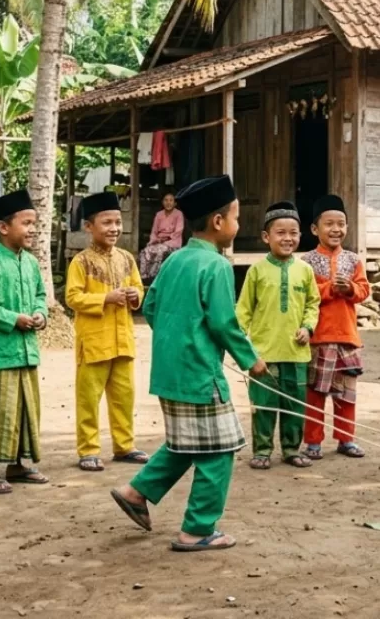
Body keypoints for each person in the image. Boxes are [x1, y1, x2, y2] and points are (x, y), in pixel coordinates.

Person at [109, 175, 267, 552]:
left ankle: (136, 491)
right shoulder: (215, 266)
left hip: (168, 372)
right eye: (236, 217)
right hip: (199, 374)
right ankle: (197, 529)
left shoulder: (174, 259)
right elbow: (223, 322)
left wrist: (177, 336)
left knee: (187, 442)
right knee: (219, 449)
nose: (238, 225)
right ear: (217, 222)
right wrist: (251, 360)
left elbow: (148, 306)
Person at [0, 189, 50, 495]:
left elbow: (41, 296)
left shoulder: (30, 263)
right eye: (26, 223)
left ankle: (18, 466)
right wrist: (12, 318)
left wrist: (40, 314)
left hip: (27, 350)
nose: (32, 230)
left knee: (25, 409)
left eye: (34, 223)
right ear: (4, 227)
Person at [65, 191, 147, 473]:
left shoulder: (126, 258)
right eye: (106, 223)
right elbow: (72, 297)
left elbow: (139, 288)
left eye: (116, 222)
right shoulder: (81, 262)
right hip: (94, 342)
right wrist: (105, 299)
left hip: (123, 340)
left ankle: (125, 446)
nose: (113, 228)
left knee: (124, 396)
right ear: (89, 227)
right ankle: (88, 450)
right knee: (89, 398)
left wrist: (135, 296)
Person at [236, 200, 321, 470]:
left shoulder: (305, 270)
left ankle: (291, 449)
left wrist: (308, 327)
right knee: (263, 405)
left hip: (296, 354)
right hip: (263, 354)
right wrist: (242, 347)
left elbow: (313, 304)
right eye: (280, 233)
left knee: (295, 405)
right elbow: (243, 311)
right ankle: (262, 450)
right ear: (266, 237)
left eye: (293, 233)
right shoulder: (257, 271)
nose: (288, 238)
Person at [302, 195, 371, 460]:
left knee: (347, 395)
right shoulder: (306, 262)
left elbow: (364, 290)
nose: (336, 229)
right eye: (329, 224)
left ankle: (346, 439)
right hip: (318, 338)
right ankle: (313, 442)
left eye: (341, 224)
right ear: (314, 229)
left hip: (348, 338)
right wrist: (331, 288)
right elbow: (305, 295)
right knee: (316, 393)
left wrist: (350, 288)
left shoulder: (353, 260)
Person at [139, 192, 184, 282]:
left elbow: (178, 231)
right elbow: (154, 231)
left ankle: (153, 277)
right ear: (162, 202)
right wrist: (152, 241)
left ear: (175, 203)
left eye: (171, 200)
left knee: (159, 251)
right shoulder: (159, 214)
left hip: (172, 242)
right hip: (158, 241)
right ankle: (143, 277)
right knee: (145, 252)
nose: (168, 203)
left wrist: (165, 239)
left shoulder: (178, 214)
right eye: (166, 200)